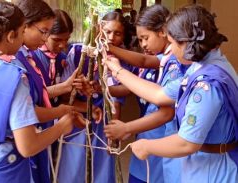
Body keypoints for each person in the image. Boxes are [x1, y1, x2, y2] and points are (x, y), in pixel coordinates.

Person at [105, 5, 238, 183]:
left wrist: (146, 146)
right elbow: (160, 94)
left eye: (173, 44)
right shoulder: (206, 66)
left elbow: (187, 143)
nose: (172, 52)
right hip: (199, 166)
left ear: (187, 44)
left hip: (212, 171)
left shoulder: (207, 85)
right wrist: (117, 71)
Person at [0, 0, 84, 183]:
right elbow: (28, 145)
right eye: (21, 33)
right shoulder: (14, 77)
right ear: (12, 36)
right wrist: (61, 126)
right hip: (5, 167)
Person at [104, 5, 188, 183]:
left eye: (145, 38)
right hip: (147, 135)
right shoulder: (164, 57)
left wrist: (126, 128)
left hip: (160, 139)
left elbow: (166, 112)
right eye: (140, 39)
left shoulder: (175, 62)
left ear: (163, 32)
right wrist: (109, 48)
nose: (142, 44)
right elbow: (143, 60)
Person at [12, 1, 87, 182]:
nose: (45, 39)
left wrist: (68, 89)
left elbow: (36, 96)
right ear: (25, 26)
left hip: (41, 128)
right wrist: (62, 115)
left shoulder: (30, 56)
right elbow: (27, 108)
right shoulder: (15, 63)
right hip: (25, 138)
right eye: (44, 32)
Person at [56, 11, 135, 183]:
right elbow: (65, 93)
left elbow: (119, 97)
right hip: (77, 116)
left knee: (101, 166)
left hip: (103, 122)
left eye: (118, 33)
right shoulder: (79, 52)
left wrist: (112, 131)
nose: (111, 37)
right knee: (73, 165)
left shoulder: (122, 59)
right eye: (107, 31)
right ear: (98, 29)